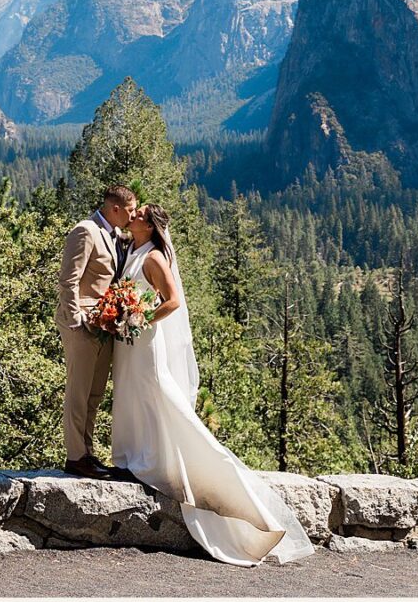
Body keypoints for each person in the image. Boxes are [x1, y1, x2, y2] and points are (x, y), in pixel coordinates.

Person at [110, 203, 314, 566]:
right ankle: (136, 454)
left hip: (144, 340)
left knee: (158, 397)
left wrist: (140, 317)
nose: (134, 215)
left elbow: (172, 301)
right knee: (132, 395)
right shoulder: (133, 249)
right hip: (130, 342)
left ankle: (195, 473)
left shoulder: (154, 257)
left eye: (139, 214)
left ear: (151, 225)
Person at [55, 184, 136, 480]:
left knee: (94, 393)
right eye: (130, 209)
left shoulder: (114, 234)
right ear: (115, 208)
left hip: (103, 326)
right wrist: (76, 319)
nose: (134, 214)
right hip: (82, 326)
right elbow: (68, 279)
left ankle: (86, 453)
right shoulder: (85, 231)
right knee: (79, 391)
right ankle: (75, 456)